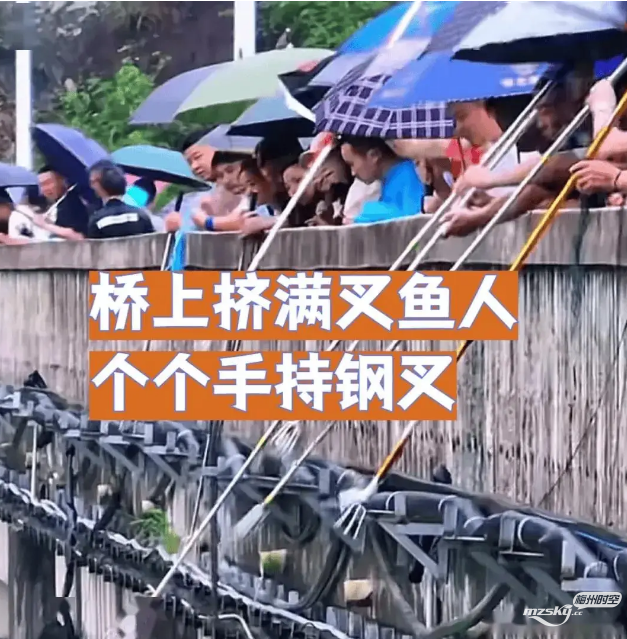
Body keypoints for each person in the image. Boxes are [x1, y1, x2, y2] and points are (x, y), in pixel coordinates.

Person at [339, 135, 425, 224]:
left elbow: (412, 219)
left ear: (374, 155)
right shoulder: (391, 177)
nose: (353, 172)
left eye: (352, 164)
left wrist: (362, 218)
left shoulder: (408, 174)